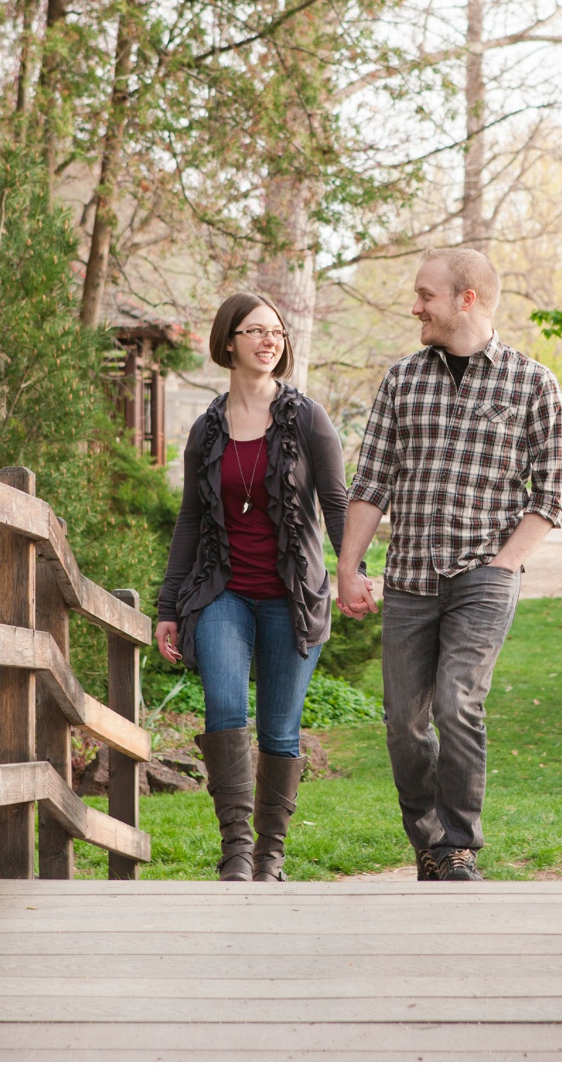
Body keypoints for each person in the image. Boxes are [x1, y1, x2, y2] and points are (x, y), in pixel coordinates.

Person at [336, 248, 562, 882]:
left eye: (425, 295)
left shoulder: (533, 384)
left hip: (483, 578)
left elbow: (550, 497)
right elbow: (371, 482)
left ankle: (460, 844)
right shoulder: (401, 379)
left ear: (466, 300)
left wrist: (503, 566)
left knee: (457, 703)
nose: (415, 307)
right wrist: (349, 567)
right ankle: (430, 844)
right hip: (409, 576)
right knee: (403, 725)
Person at [155, 294, 357, 881]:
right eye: (255, 331)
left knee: (280, 728)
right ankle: (237, 852)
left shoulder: (308, 419)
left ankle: (270, 855)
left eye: (277, 332)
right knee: (223, 706)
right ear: (228, 342)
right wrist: (170, 607)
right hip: (224, 593)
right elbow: (190, 521)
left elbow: (336, 503)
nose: (269, 341)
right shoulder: (206, 430)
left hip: (292, 597)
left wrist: (349, 573)